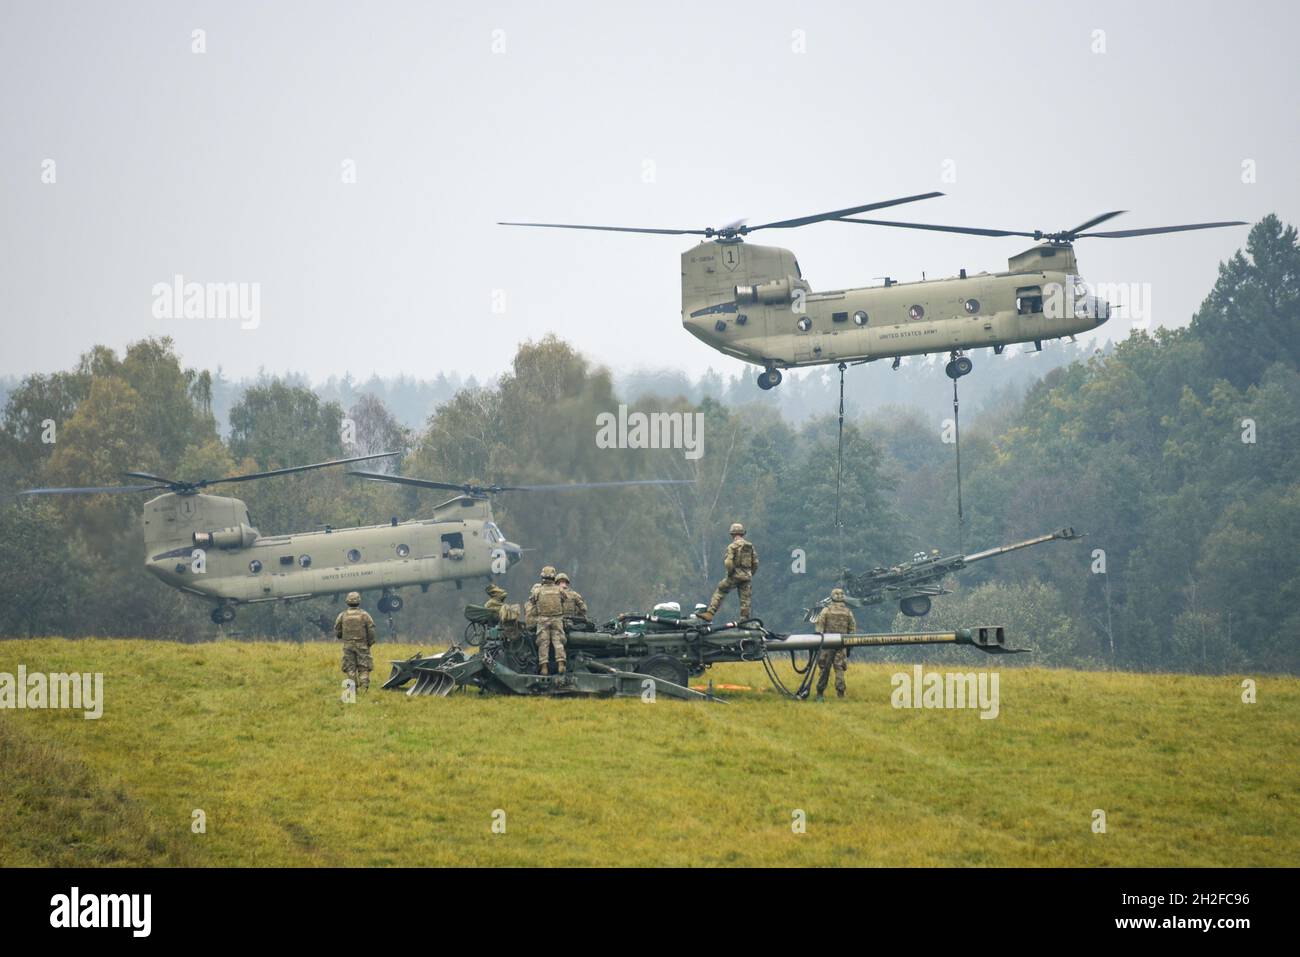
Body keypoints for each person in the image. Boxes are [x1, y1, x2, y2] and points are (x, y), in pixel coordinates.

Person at [699, 523, 758, 623]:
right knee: (745, 599)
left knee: (721, 590)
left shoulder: (732, 546)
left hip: (734, 575)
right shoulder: (750, 546)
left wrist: (730, 573)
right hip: (747, 576)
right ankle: (744, 621)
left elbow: (728, 562)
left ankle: (710, 613)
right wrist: (749, 573)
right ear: (743, 534)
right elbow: (755, 563)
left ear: (732, 534)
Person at [813, 587, 856, 701]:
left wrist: (819, 645)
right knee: (839, 670)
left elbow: (819, 630)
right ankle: (840, 694)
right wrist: (849, 646)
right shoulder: (848, 612)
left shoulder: (826, 611)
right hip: (841, 645)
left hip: (826, 645)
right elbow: (852, 630)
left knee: (824, 670)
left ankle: (820, 694)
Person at [525, 565, 569, 675]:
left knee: (543, 643)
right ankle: (561, 664)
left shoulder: (538, 591)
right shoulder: (559, 590)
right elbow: (565, 599)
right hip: (557, 620)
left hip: (543, 620)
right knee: (558, 642)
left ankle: (544, 667)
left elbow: (532, 602)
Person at [334, 591, 376, 692]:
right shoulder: (365, 615)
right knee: (364, 666)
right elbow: (371, 629)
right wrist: (370, 642)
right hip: (362, 645)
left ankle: (352, 690)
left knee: (350, 668)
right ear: (359, 601)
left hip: (348, 645)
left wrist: (340, 636)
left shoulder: (342, 615)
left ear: (347, 602)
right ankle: (365, 688)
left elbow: (337, 630)